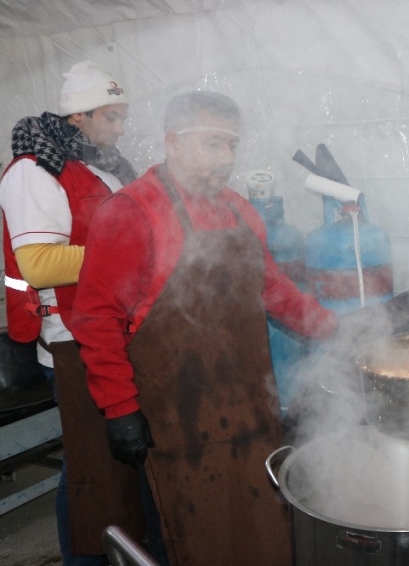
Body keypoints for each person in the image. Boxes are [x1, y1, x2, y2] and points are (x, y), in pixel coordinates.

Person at [70, 90, 338, 565]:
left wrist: (339, 332)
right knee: (196, 539)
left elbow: (274, 291)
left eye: (232, 145)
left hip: (250, 411)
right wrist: (119, 409)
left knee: (264, 534)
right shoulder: (130, 212)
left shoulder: (238, 208)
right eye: (214, 144)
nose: (228, 158)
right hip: (177, 421)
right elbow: (96, 320)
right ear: (174, 143)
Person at [0, 60, 166, 565]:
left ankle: (135, 551)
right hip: (71, 338)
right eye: (111, 118)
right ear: (79, 117)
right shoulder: (34, 171)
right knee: (89, 469)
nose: (120, 129)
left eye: (123, 117)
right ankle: (85, 558)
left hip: (117, 330)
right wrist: (134, 256)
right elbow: (39, 262)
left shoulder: (102, 166)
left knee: (122, 465)